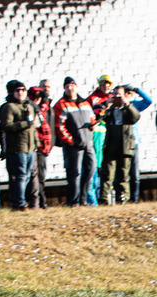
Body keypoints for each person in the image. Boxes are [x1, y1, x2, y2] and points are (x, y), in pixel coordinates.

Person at [52, 77, 96, 206]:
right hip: (74, 146)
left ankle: (83, 199)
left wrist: (93, 125)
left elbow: (92, 118)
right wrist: (69, 140)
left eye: (72, 86)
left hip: (88, 143)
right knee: (74, 173)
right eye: (67, 87)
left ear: (76, 87)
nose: (70, 89)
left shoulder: (85, 103)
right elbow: (59, 126)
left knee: (91, 169)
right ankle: (73, 201)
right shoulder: (61, 105)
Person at [0, 80, 38, 211]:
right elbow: (6, 125)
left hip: (30, 147)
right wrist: (24, 124)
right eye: (17, 90)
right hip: (17, 147)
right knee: (20, 176)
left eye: (23, 90)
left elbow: (33, 128)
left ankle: (20, 200)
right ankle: (19, 203)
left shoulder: (29, 106)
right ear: (12, 93)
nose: (20, 93)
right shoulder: (9, 107)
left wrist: (36, 142)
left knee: (26, 176)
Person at [99, 86, 140, 204]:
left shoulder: (128, 109)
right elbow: (99, 118)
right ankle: (104, 199)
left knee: (123, 174)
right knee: (107, 174)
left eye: (119, 95)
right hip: (111, 145)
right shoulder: (109, 109)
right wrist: (106, 106)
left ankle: (123, 199)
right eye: (115, 95)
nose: (117, 98)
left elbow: (135, 118)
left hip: (125, 145)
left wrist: (126, 104)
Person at [120, 85, 151, 202]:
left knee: (134, 172)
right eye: (126, 93)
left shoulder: (135, 105)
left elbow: (149, 101)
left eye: (130, 93)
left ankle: (134, 198)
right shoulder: (118, 105)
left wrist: (137, 90)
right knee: (122, 172)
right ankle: (123, 197)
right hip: (120, 142)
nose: (128, 95)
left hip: (133, 142)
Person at [26, 85, 52, 209]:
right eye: (35, 96)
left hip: (43, 147)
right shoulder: (31, 108)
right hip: (34, 146)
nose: (37, 99)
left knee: (41, 176)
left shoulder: (44, 109)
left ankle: (41, 201)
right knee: (34, 176)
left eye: (39, 97)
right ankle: (39, 201)